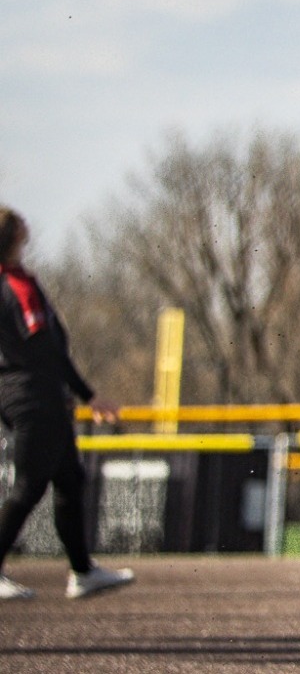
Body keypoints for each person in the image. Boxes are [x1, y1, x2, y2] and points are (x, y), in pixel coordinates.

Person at [0, 207, 134, 600]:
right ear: (15, 236)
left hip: (23, 394)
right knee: (28, 487)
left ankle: (82, 570)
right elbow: (47, 348)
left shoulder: (13, 281)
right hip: (35, 395)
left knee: (70, 479)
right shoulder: (16, 286)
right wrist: (88, 394)